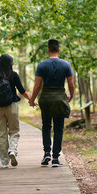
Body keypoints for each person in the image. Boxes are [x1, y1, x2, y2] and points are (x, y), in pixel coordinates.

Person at [29, 39, 74, 167]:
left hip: (46, 99)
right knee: (58, 128)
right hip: (60, 98)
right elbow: (71, 84)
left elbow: (37, 85)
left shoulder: (42, 65)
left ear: (48, 50)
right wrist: (71, 95)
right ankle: (55, 158)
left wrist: (32, 99)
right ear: (59, 50)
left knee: (46, 126)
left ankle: (47, 153)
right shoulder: (66, 65)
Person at [0, 54, 31, 168]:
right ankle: (12, 150)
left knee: (1, 135)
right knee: (14, 131)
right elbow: (22, 91)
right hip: (12, 107)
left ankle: (4, 163)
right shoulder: (13, 75)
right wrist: (31, 100)